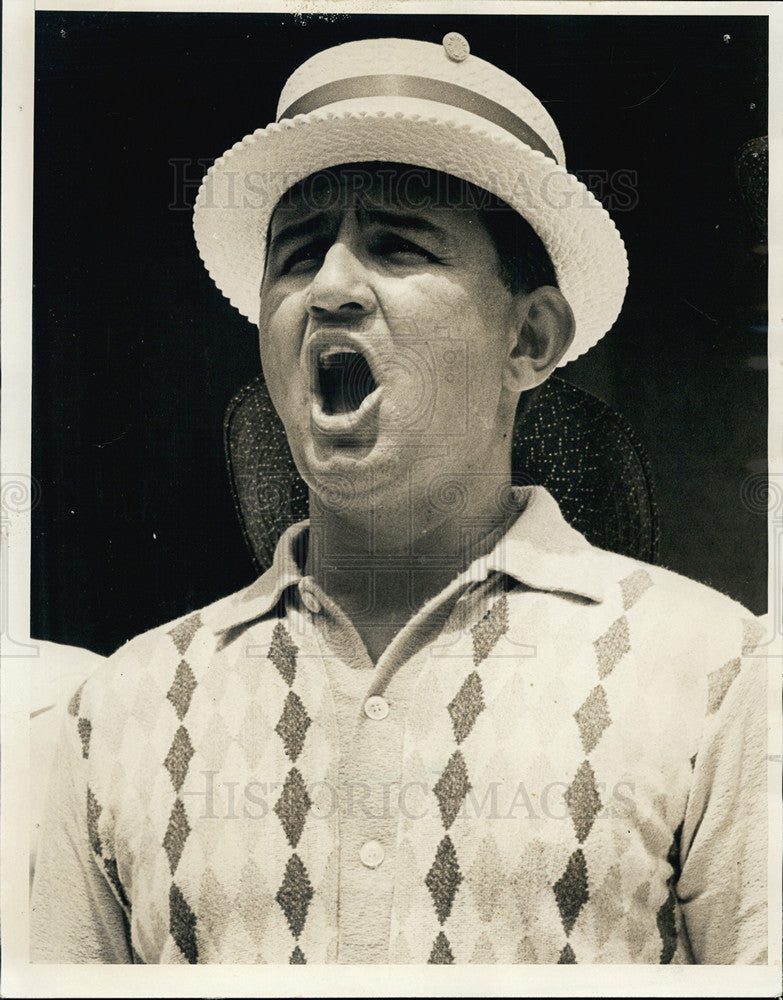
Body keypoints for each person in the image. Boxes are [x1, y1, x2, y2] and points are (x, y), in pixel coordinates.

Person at [30, 33, 767, 965]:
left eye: (397, 244)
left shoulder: (719, 678)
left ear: (530, 339)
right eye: (297, 254)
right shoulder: (117, 710)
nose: (330, 285)